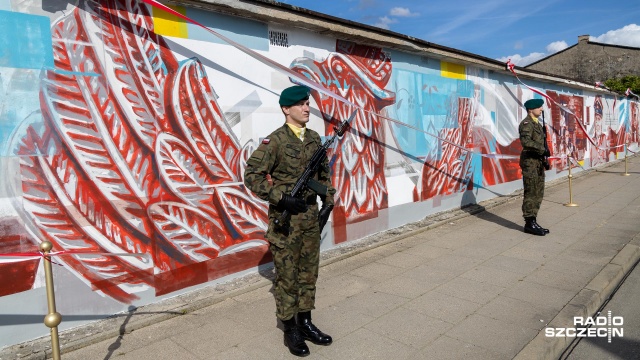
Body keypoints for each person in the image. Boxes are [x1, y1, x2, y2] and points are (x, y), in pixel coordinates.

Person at [244, 85, 336, 357]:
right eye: (300, 104)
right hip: (286, 224)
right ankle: (290, 329)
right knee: (287, 278)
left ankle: (305, 321)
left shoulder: (315, 139)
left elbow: (323, 176)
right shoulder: (275, 141)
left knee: (309, 274)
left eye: (307, 103)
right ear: (286, 109)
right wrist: (281, 198)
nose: (306, 108)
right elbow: (252, 176)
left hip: (309, 220)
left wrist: (327, 202)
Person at [518, 98, 549, 236]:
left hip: (537, 162)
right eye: (539, 107)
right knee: (531, 192)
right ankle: (529, 223)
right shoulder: (526, 124)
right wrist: (542, 149)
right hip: (530, 163)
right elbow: (525, 142)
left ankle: (534, 220)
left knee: (538, 192)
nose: (541, 109)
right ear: (531, 109)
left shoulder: (537, 123)